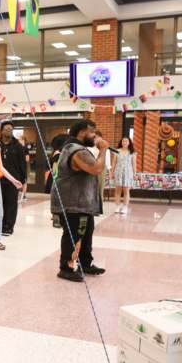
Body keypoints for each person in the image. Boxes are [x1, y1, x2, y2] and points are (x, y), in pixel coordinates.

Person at [51, 120, 108, 282]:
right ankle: (66, 268)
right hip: (73, 203)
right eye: (93, 133)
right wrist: (103, 150)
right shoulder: (75, 150)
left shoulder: (78, 148)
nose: (95, 136)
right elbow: (96, 169)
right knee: (74, 235)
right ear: (82, 132)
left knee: (86, 233)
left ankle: (85, 263)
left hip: (82, 203)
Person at [0, 121, 27, 236]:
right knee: (0, 203)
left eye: (11, 129)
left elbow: (23, 163)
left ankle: (9, 226)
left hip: (13, 180)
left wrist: (23, 179)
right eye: (6, 129)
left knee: (11, 203)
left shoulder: (18, 146)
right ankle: (0, 224)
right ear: (1, 131)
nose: (8, 131)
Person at [45, 134, 70, 228]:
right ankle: (56, 218)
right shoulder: (57, 154)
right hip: (57, 180)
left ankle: (61, 217)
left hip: (62, 179)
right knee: (57, 200)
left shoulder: (62, 153)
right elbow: (55, 170)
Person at [112, 136, 136, 215]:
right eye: (123, 141)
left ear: (129, 143)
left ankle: (125, 207)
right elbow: (114, 162)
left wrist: (134, 174)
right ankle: (117, 206)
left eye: (126, 141)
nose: (124, 142)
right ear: (121, 142)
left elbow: (134, 164)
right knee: (118, 190)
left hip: (128, 173)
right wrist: (112, 172)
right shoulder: (117, 151)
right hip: (118, 172)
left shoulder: (132, 152)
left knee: (126, 190)